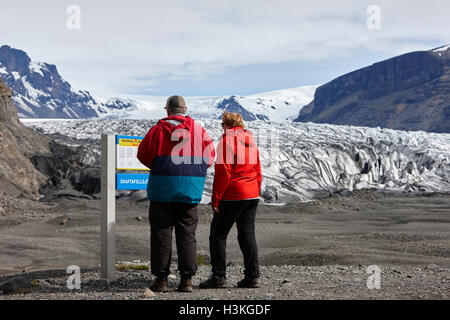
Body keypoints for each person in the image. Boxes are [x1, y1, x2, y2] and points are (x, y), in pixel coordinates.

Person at [137, 95, 215, 293]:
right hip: (190, 190)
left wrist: (162, 167)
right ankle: (186, 280)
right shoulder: (199, 131)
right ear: (185, 109)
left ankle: (161, 280)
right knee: (187, 233)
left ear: (167, 110)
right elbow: (210, 156)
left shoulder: (157, 130)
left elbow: (143, 155)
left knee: (161, 233)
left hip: (162, 189)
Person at [200, 111, 262, 289]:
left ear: (227, 125)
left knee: (218, 235)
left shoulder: (227, 141)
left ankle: (219, 277)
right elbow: (258, 169)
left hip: (234, 194)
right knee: (247, 234)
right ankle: (252, 276)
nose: (222, 128)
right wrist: (255, 190)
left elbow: (223, 173)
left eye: (222, 125)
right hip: (252, 194)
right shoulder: (250, 141)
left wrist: (216, 199)